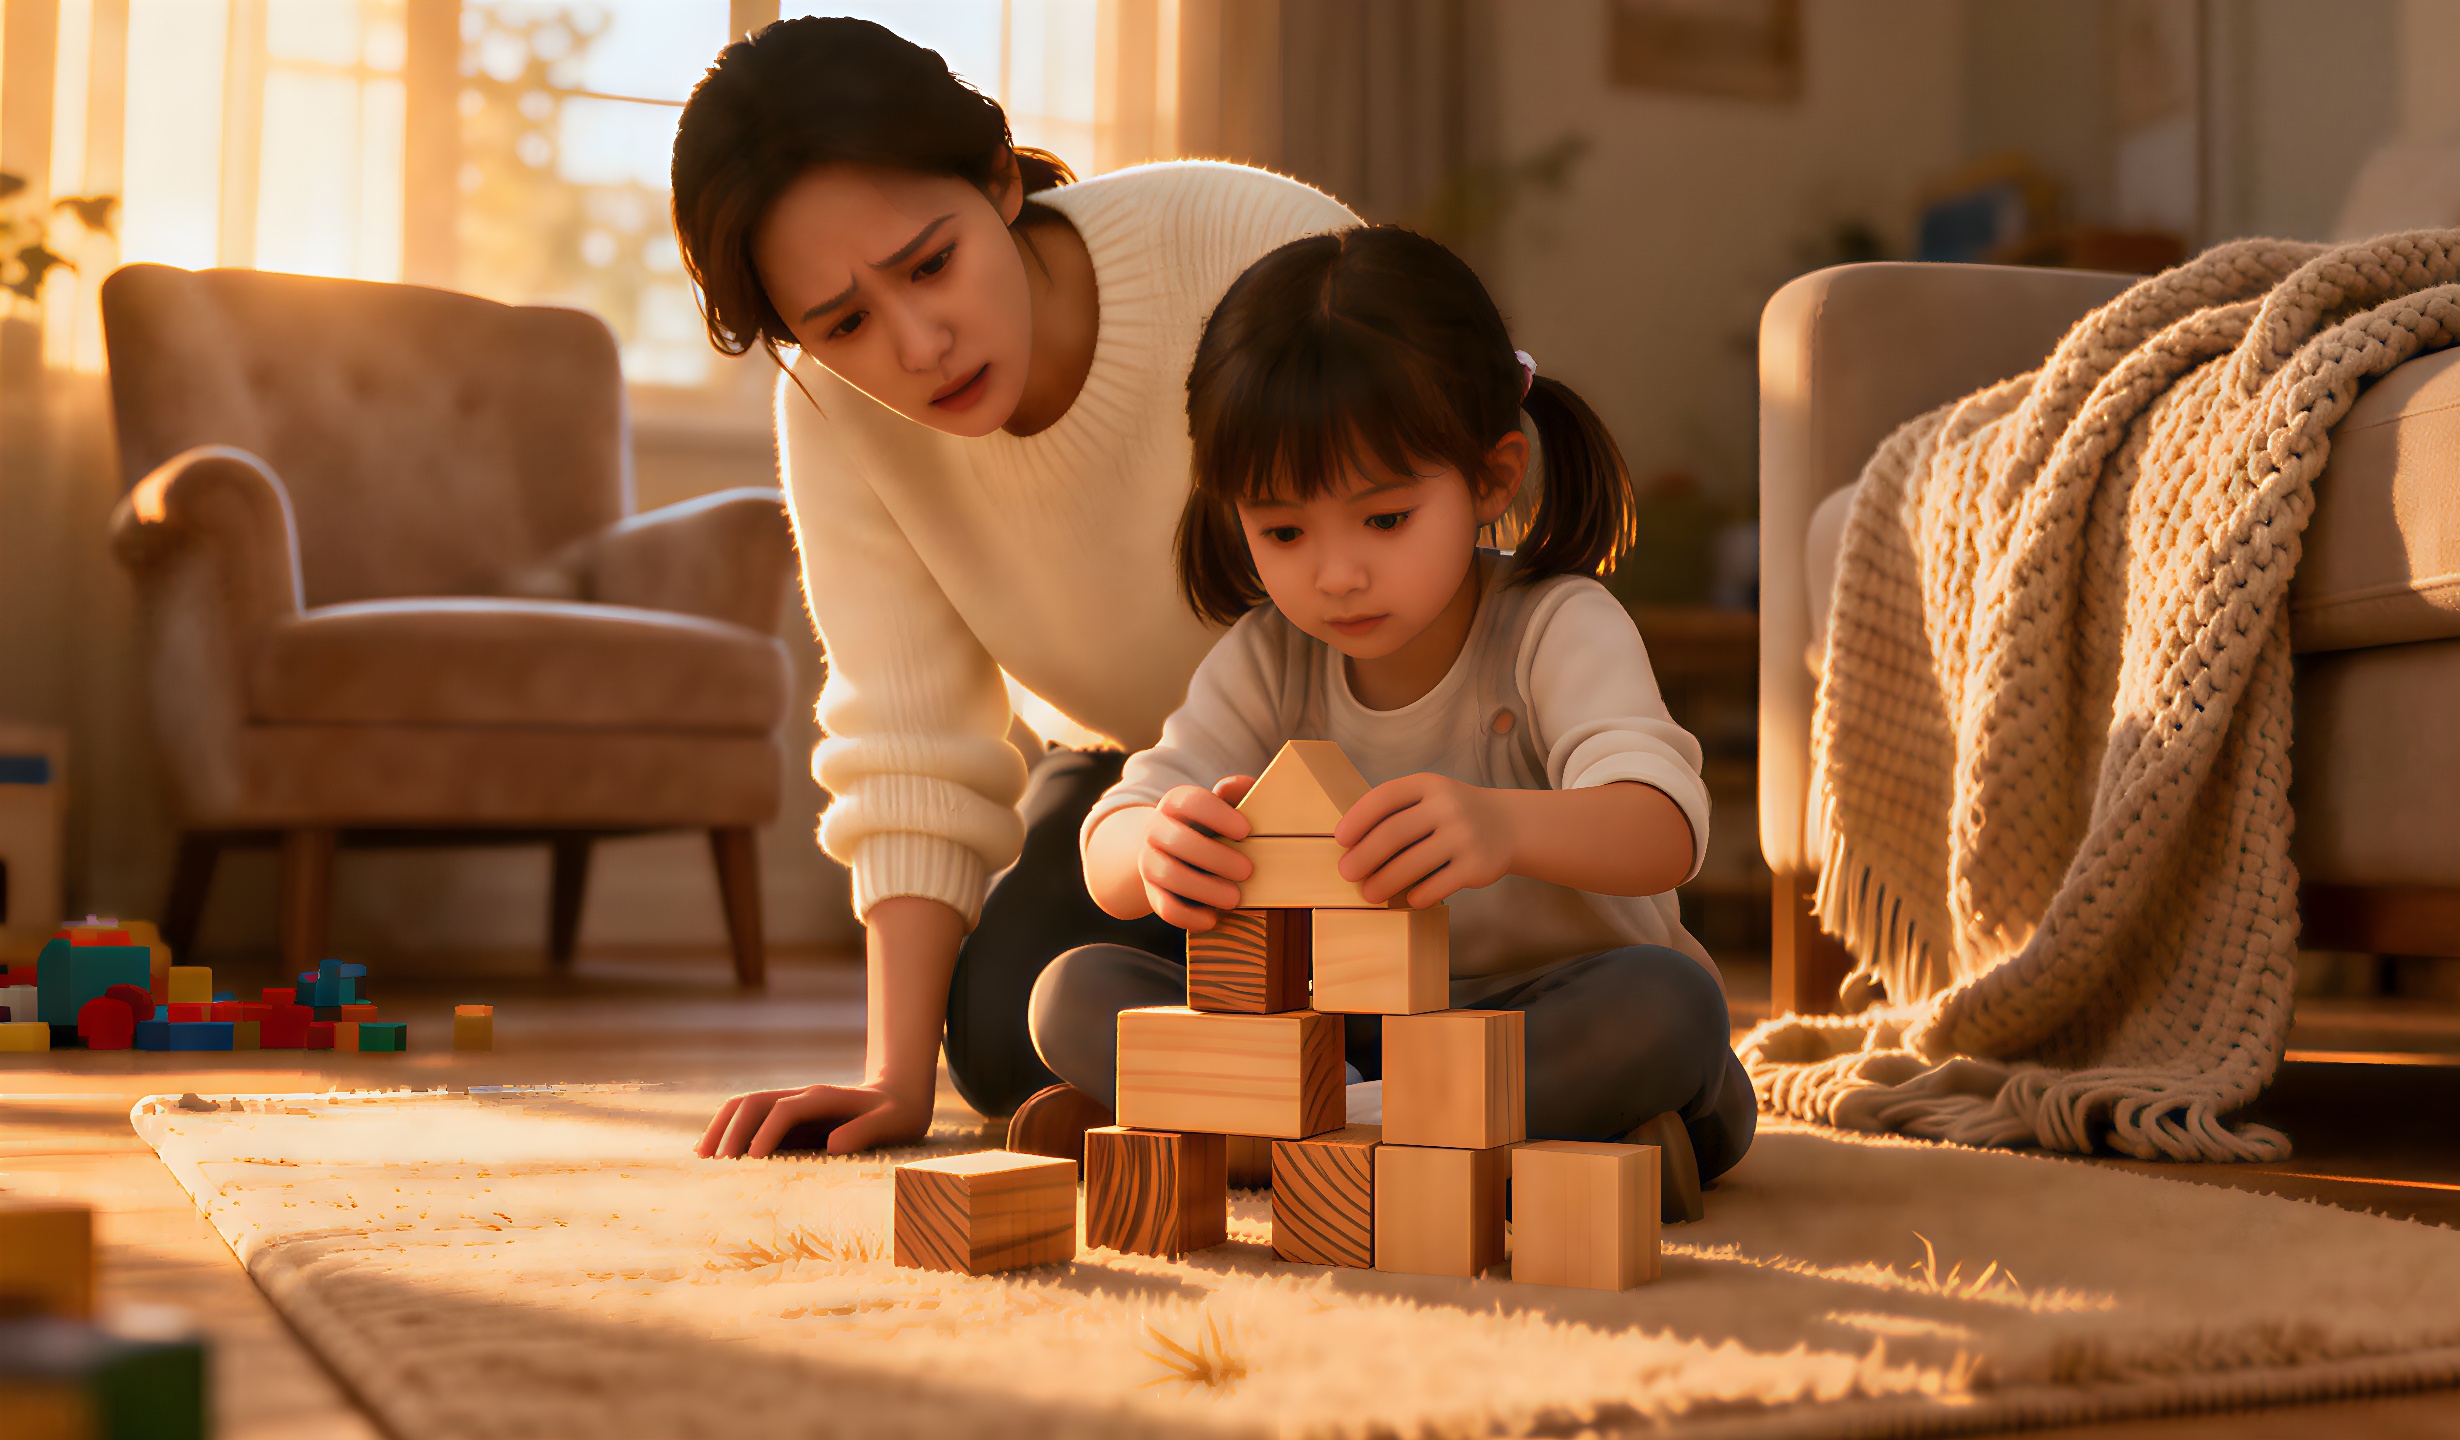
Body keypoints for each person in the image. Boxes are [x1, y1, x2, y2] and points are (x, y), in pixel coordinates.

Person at [676, 18, 1357, 1159]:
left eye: (929, 263)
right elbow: (908, 728)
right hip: (1140, 796)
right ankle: (1282, 1083)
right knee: (1001, 1040)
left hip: (1393, 766)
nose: (919, 343)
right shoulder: (835, 417)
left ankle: (1301, 1083)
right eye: (841, 323)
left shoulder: (1250, 247)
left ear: (998, 179)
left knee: (1403, 970)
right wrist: (893, 1083)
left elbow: (1439, 543)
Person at [1056, 227, 1755, 1212]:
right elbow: (1111, 844)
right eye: (1284, 530)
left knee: (1674, 1010)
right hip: (1345, 1037)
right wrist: (1157, 848)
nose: (1335, 574)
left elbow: (1665, 830)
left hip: (1546, 1008)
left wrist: (1503, 826)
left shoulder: (1556, 625)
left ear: (1491, 480)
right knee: (1072, 991)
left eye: (1384, 520)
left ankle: (1300, 1138)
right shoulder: (1267, 658)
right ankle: (1424, 1136)